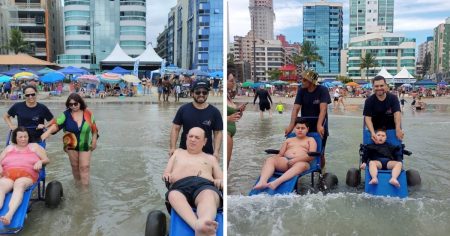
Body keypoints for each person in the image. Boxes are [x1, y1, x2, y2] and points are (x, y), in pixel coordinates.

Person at [163, 127, 223, 236]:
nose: (192, 139)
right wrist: (167, 175)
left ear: (204, 142)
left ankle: (205, 221)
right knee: (173, 195)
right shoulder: (177, 153)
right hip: (180, 187)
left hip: (204, 186)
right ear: (186, 138)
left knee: (209, 195)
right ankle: (198, 226)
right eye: (190, 136)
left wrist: (219, 181)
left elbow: (221, 179)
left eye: (197, 137)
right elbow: (166, 173)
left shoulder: (210, 158)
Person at [41, 93, 98, 186]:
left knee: (85, 167)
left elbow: (94, 129)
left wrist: (94, 141)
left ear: (80, 103)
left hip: (85, 143)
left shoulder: (88, 113)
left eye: (75, 104)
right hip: (71, 143)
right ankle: (78, 184)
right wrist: (47, 132)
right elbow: (56, 124)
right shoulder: (66, 114)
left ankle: (85, 190)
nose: (73, 106)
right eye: (70, 104)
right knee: (75, 166)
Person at [0, 127, 49, 225]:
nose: (23, 139)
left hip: (27, 176)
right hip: (8, 175)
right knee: (1, 185)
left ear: (28, 137)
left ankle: (9, 215)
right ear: (15, 138)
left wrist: (40, 161)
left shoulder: (34, 146)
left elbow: (47, 159)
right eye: (20, 137)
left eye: (25, 137)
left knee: (19, 184)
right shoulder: (9, 147)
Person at [285, 70, 331, 168]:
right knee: (302, 149)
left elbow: (323, 109)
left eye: (305, 80)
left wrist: (319, 125)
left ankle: (320, 171)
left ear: (311, 82)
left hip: (320, 125)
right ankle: (299, 167)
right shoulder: (301, 90)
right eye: (302, 79)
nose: (302, 81)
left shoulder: (322, 90)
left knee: (320, 152)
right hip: (305, 126)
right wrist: (291, 125)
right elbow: (296, 108)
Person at [254, 118, 317, 190]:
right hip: (286, 162)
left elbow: (312, 156)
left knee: (301, 165)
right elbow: (280, 154)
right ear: (294, 128)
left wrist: (295, 160)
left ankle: (277, 182)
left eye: (303, 128)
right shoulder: (289, 140)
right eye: (298, 128)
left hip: (302, 162)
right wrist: (274, 160)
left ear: (307, 129)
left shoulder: (310, 139)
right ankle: (262, 181)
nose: (300, 130)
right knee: (270, 159)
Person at [170, 80, 223, 160]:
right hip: (185, 153)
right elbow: (175, 128)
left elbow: (218, 133)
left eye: (204, 92)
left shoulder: (215, 112)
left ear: (207, 94)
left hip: (206, 155)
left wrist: (216, 152)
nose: (201, 95)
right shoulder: (183, 109)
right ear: (192, 93)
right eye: (198, 92)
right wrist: (173, 148)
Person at [363, 75, 403, 142]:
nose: (379, 88)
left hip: (392, 130)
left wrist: (398, 129)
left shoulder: (393, 98)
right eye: (376, 86)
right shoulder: (369, 101)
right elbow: (367, 118)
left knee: (395, 150)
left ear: (386, 86)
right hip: (375, 131)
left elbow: (397, 114)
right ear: (373, 87)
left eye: (381, 85)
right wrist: (372, 132)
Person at [226, 71, 246, 168]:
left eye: (233, 81)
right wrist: (228, 118)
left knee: (227, 165)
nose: (233, 83)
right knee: (225, 165)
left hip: (230, 133)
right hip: (226, 133)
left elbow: (235, 117)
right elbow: (212, 118)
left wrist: (240, 111)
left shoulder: (228, 97)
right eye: (231, 81)